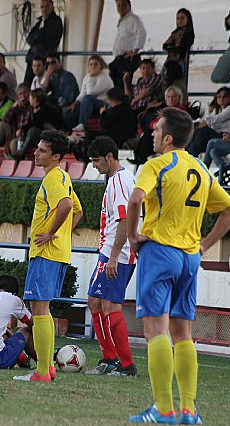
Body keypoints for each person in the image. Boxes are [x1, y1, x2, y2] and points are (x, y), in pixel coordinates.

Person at [126, 107, 230, 424]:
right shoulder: (202, 169)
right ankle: (189, 410)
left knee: (155, 329)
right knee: (183, 333)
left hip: (160, 251)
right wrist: (204, 245)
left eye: (156, 128)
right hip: (190, 258)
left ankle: (163, 409)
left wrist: (134, 236)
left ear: (168, 138)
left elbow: (135, 200)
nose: (152, 132)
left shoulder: (157, 165)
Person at [13, 130, 83, 382]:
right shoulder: (63, 176)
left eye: (42, 150)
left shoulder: (53, 179)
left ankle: (42, 371)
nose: (36, 152)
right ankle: (48, 368)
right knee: (44, 310)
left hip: (46, 252)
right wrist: (63, 234)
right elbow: (78, 210)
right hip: (58, 252)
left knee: (39, 310)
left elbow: (66, 206)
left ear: (55, 156)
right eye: (37, 148)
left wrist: (51, 233)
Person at [83, 136, 138, 377]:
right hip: (111, 251)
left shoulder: (119, 181)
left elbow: (124, 219)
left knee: (110, 305)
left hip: (118, 253)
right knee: (95, 301)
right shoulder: (121, 178)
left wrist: (114, 256)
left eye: (96, 161)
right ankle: (109, 358)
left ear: (109, 157)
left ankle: (125, 365)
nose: (94, 166)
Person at [130, 85, 188, 166]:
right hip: (161, 131)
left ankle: (140, 157)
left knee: (150, 134)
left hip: (170, 134)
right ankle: (139, 156)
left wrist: (156, 126)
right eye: (169, 97)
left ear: (178, 98)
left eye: (173, 97)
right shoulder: (163, 109)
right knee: (149, 132)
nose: (171, 99)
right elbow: (152, 123)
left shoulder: (180, 110)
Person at [11, 88, 65, 161]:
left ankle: (21, 154)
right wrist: (22, 130)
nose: (29, 99)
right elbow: (29, 124)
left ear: (35, 99)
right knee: (20, 137)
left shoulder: (46, 109)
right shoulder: (35, 109)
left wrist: (34, 113)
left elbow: (37, 124)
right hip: (41, 136)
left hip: (51, 136)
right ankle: (18, 158)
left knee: (32, 131)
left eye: (30, 97)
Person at [63, 55, 114, 132]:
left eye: (96, 64)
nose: (93, 66)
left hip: (103, 104)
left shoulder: (105, 77)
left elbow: (91, 92)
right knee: (67, 114)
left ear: (100, 66)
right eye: (91, 64)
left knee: (87, 98)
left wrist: (91, 77)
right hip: (88, 104)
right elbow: (82, 94)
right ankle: (74, 133)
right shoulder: (87, 77)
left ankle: (82, 124)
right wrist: (75, 103)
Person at [0, 83, 31, 159]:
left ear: (30, 93)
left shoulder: (32, 105)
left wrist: (22, 130)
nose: (23, 96)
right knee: (0, 125)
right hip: (15, 132)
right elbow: (6, 120)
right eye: (20, 94)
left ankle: (16, 164)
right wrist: (14, 107)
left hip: (26, 134)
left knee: (13, 144)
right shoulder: (17, 106)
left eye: (25, 93)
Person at [187, 87, 230, 158]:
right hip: (219, 136)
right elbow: (206, 118)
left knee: (204, 131)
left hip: (228, 137)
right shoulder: (217, 110)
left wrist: (200, 125)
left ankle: (190, 157)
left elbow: (215, 119)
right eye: (219, 96)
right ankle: (187, 155)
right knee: (195, 132)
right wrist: (195, 124)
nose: (221, 98)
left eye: (224, 96)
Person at [108, 0, 147, 90]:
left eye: (124, 5)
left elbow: (142, 33)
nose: (121, 8)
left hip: (127, 58)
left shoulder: (133, 19)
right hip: (119, 58)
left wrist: (135, 51)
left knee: (124, 85)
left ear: (129, 6)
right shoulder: (123, 20)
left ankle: (124, 102)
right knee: (115, 80)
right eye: (118, 6)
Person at [24, 0, 63, 86]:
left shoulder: (56, 21)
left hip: (45, 58)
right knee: (27, 84)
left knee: (44, 83)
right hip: (33, 58)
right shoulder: (39, 22)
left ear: (52, 7)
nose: (44, 9)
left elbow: (44, 36)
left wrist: (37, 37)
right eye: (42, 7)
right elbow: (29, 38)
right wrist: (37, 38)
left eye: (47, 6)